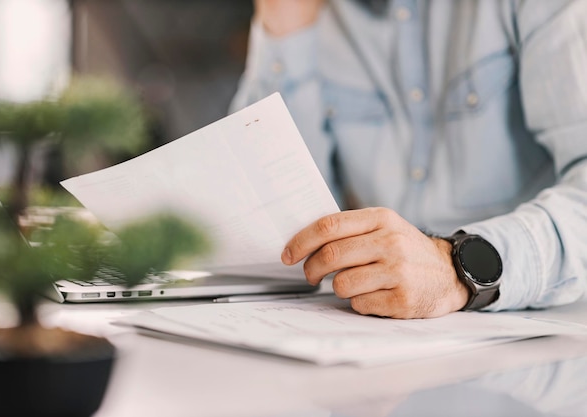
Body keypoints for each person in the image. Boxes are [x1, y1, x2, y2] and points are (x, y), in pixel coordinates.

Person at [230, 0, 587, 318]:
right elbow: (273, 230)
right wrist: (285, 33)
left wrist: (453, 269)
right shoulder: (313, 17)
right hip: (377, 341)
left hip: (543, 338)